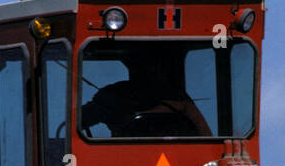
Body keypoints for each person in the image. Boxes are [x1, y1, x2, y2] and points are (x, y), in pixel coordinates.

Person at [81, 48, 212, 137]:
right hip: (124, 160)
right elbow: (80, 119)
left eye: (153, 64)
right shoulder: (112, 95)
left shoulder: (179, 98)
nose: (148, 69)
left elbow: (205, 135)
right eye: (141, 63)